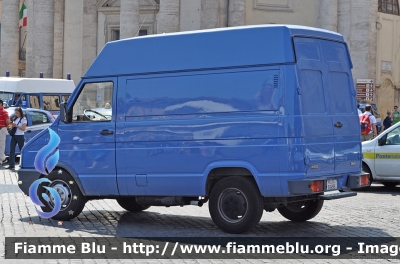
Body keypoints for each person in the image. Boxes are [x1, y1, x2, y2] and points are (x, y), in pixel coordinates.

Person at [0, 100, 10, 165]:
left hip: (1, 129)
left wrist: (6, 127)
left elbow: (7, 121)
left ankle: (1, 160)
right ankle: (3, 158)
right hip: (2, 129)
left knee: (1, 146)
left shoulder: (4, 112)